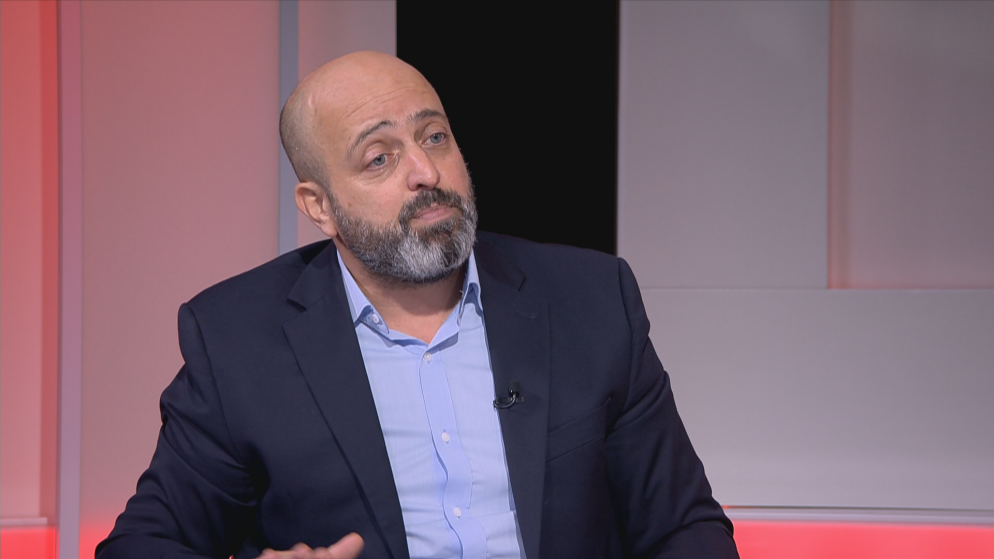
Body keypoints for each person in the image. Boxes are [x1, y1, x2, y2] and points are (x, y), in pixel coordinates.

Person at [96, 51, 738, 559]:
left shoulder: (589, 299)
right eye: (379, 158)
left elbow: (684, 528)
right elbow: (145, 544)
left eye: (435, 137)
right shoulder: (237, 340)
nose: (426, 172)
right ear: (320, 207)